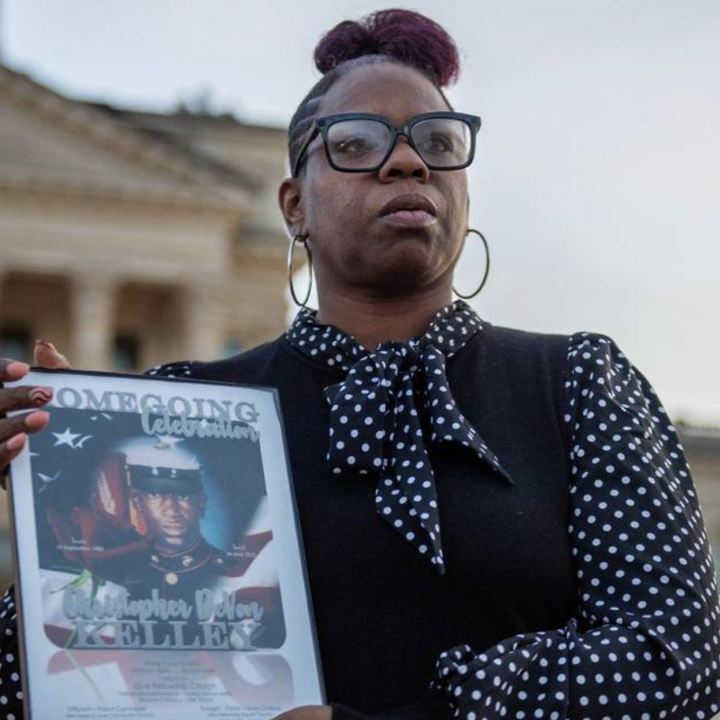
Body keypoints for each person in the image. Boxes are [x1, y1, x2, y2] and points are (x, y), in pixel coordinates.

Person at [0, 8, 719, 720]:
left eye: (439, 142)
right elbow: (41, 680)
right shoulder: (189, 410)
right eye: (355, 143)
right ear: (293, 208)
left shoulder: (573, 385)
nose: (407, 161)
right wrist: (53, 518)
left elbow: (677, 659)